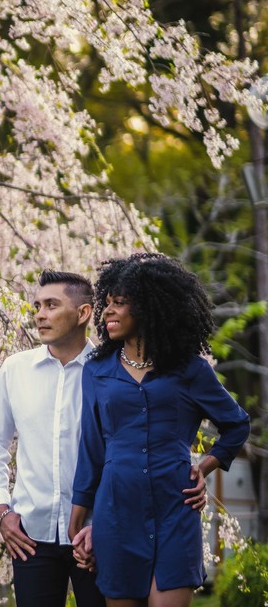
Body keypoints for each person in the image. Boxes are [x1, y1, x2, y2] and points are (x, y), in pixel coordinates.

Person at [70, 253, 250, 607]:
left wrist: (203, 466)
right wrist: (77, 525)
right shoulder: (97, 369)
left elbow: (237, 424)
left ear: (149, 308)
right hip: (116, 513)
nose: (107, 312)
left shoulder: (191, 370)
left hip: (175, 508)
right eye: (106, 304)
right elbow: (92, 449)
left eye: (119, 303)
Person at [0, 270, 105, 607]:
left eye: (51, 305)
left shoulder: (109, 372)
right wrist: (3, 512)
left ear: (83, 313)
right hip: (31, 538)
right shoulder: (15, 369)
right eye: (37, 306)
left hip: (96, 536)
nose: (40, 315)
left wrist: (105, 524)